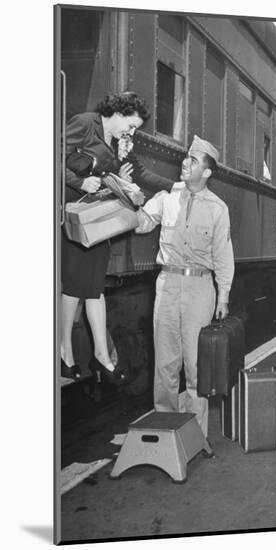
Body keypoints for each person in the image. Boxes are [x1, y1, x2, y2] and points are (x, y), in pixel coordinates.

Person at [61, 92, 174, 382]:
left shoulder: (121, 144)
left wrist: (176, 186)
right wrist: (78, 180)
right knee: (76, 287)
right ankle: (64, 352)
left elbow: (143, 174)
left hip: (99, 220)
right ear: (117, 113)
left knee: (94, 287)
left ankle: (100, 355)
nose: (131, 132)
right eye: (131, 125)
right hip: (76, 216)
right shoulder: (86, 124)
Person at [134, 135, 235, 436]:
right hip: (167, 282)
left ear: (206, 172)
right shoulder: (167, 196)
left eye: (193, 160)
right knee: (165, 364)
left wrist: (223, 295)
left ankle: (195, 435)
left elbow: (223, 255)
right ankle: (165, 430)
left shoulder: (218, 209)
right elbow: (141, 223)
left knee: (195, 366)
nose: (184, 162)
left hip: (200, 288)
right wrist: (131, 200)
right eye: (186, 157)